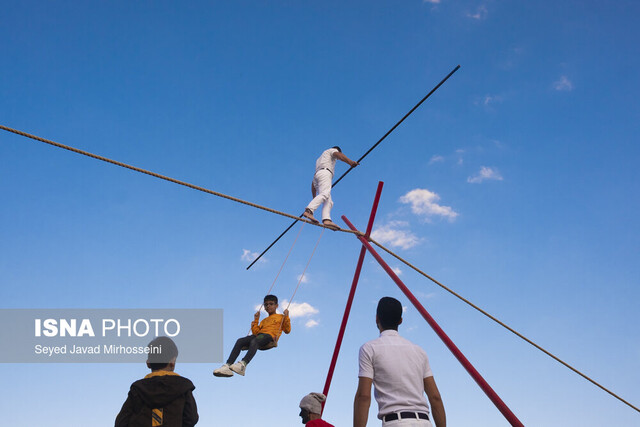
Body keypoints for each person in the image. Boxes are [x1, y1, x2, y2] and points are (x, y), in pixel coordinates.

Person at [354, 297, 446, 427]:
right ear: (400, 321)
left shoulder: (369, 348)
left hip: (395, 422)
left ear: (377, 318)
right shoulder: (419, 351)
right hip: (425, 422)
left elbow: (363, 396)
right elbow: (435, 398)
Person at [115, 336, 198, 427]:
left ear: (148, 363)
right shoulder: (183, 387)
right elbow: (191, 418)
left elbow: (121, 422)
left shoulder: (137, 389)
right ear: (173, 362)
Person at [213, 294, 291, 377]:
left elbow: (287, 330)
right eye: (266, 304)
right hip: (260, 336)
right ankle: (227, 366)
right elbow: (256, 332)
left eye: (271, 304)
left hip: (269, 337)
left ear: (276, 305)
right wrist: (256, 320)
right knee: (240, 341)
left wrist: (286, 316)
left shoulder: (281, 317)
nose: (268, 306)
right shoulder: (264, 321)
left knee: (255, 340)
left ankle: (243, 364)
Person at [303, 146, 359, 230]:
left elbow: (313, 183)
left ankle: (326, 220)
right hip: (325, 173)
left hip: (317, 176)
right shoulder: (332, 151)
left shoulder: (319, 160)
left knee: (328, 201)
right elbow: (338, 154)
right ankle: (309, 211)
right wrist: (350, 162)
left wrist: (314, 198)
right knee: (325, 194)